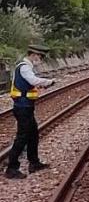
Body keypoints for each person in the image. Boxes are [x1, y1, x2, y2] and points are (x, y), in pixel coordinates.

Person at [5, 45, 56, 180]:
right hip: (22, 107)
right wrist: (48, 82)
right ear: (33, 54)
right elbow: (33, 80)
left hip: (26, 106)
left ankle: (34, 163)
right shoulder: (25, 67)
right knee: (22, 137)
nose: (40, 59)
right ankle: (11, 168)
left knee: (33, 134)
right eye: (40, 56)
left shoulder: (25, 67)